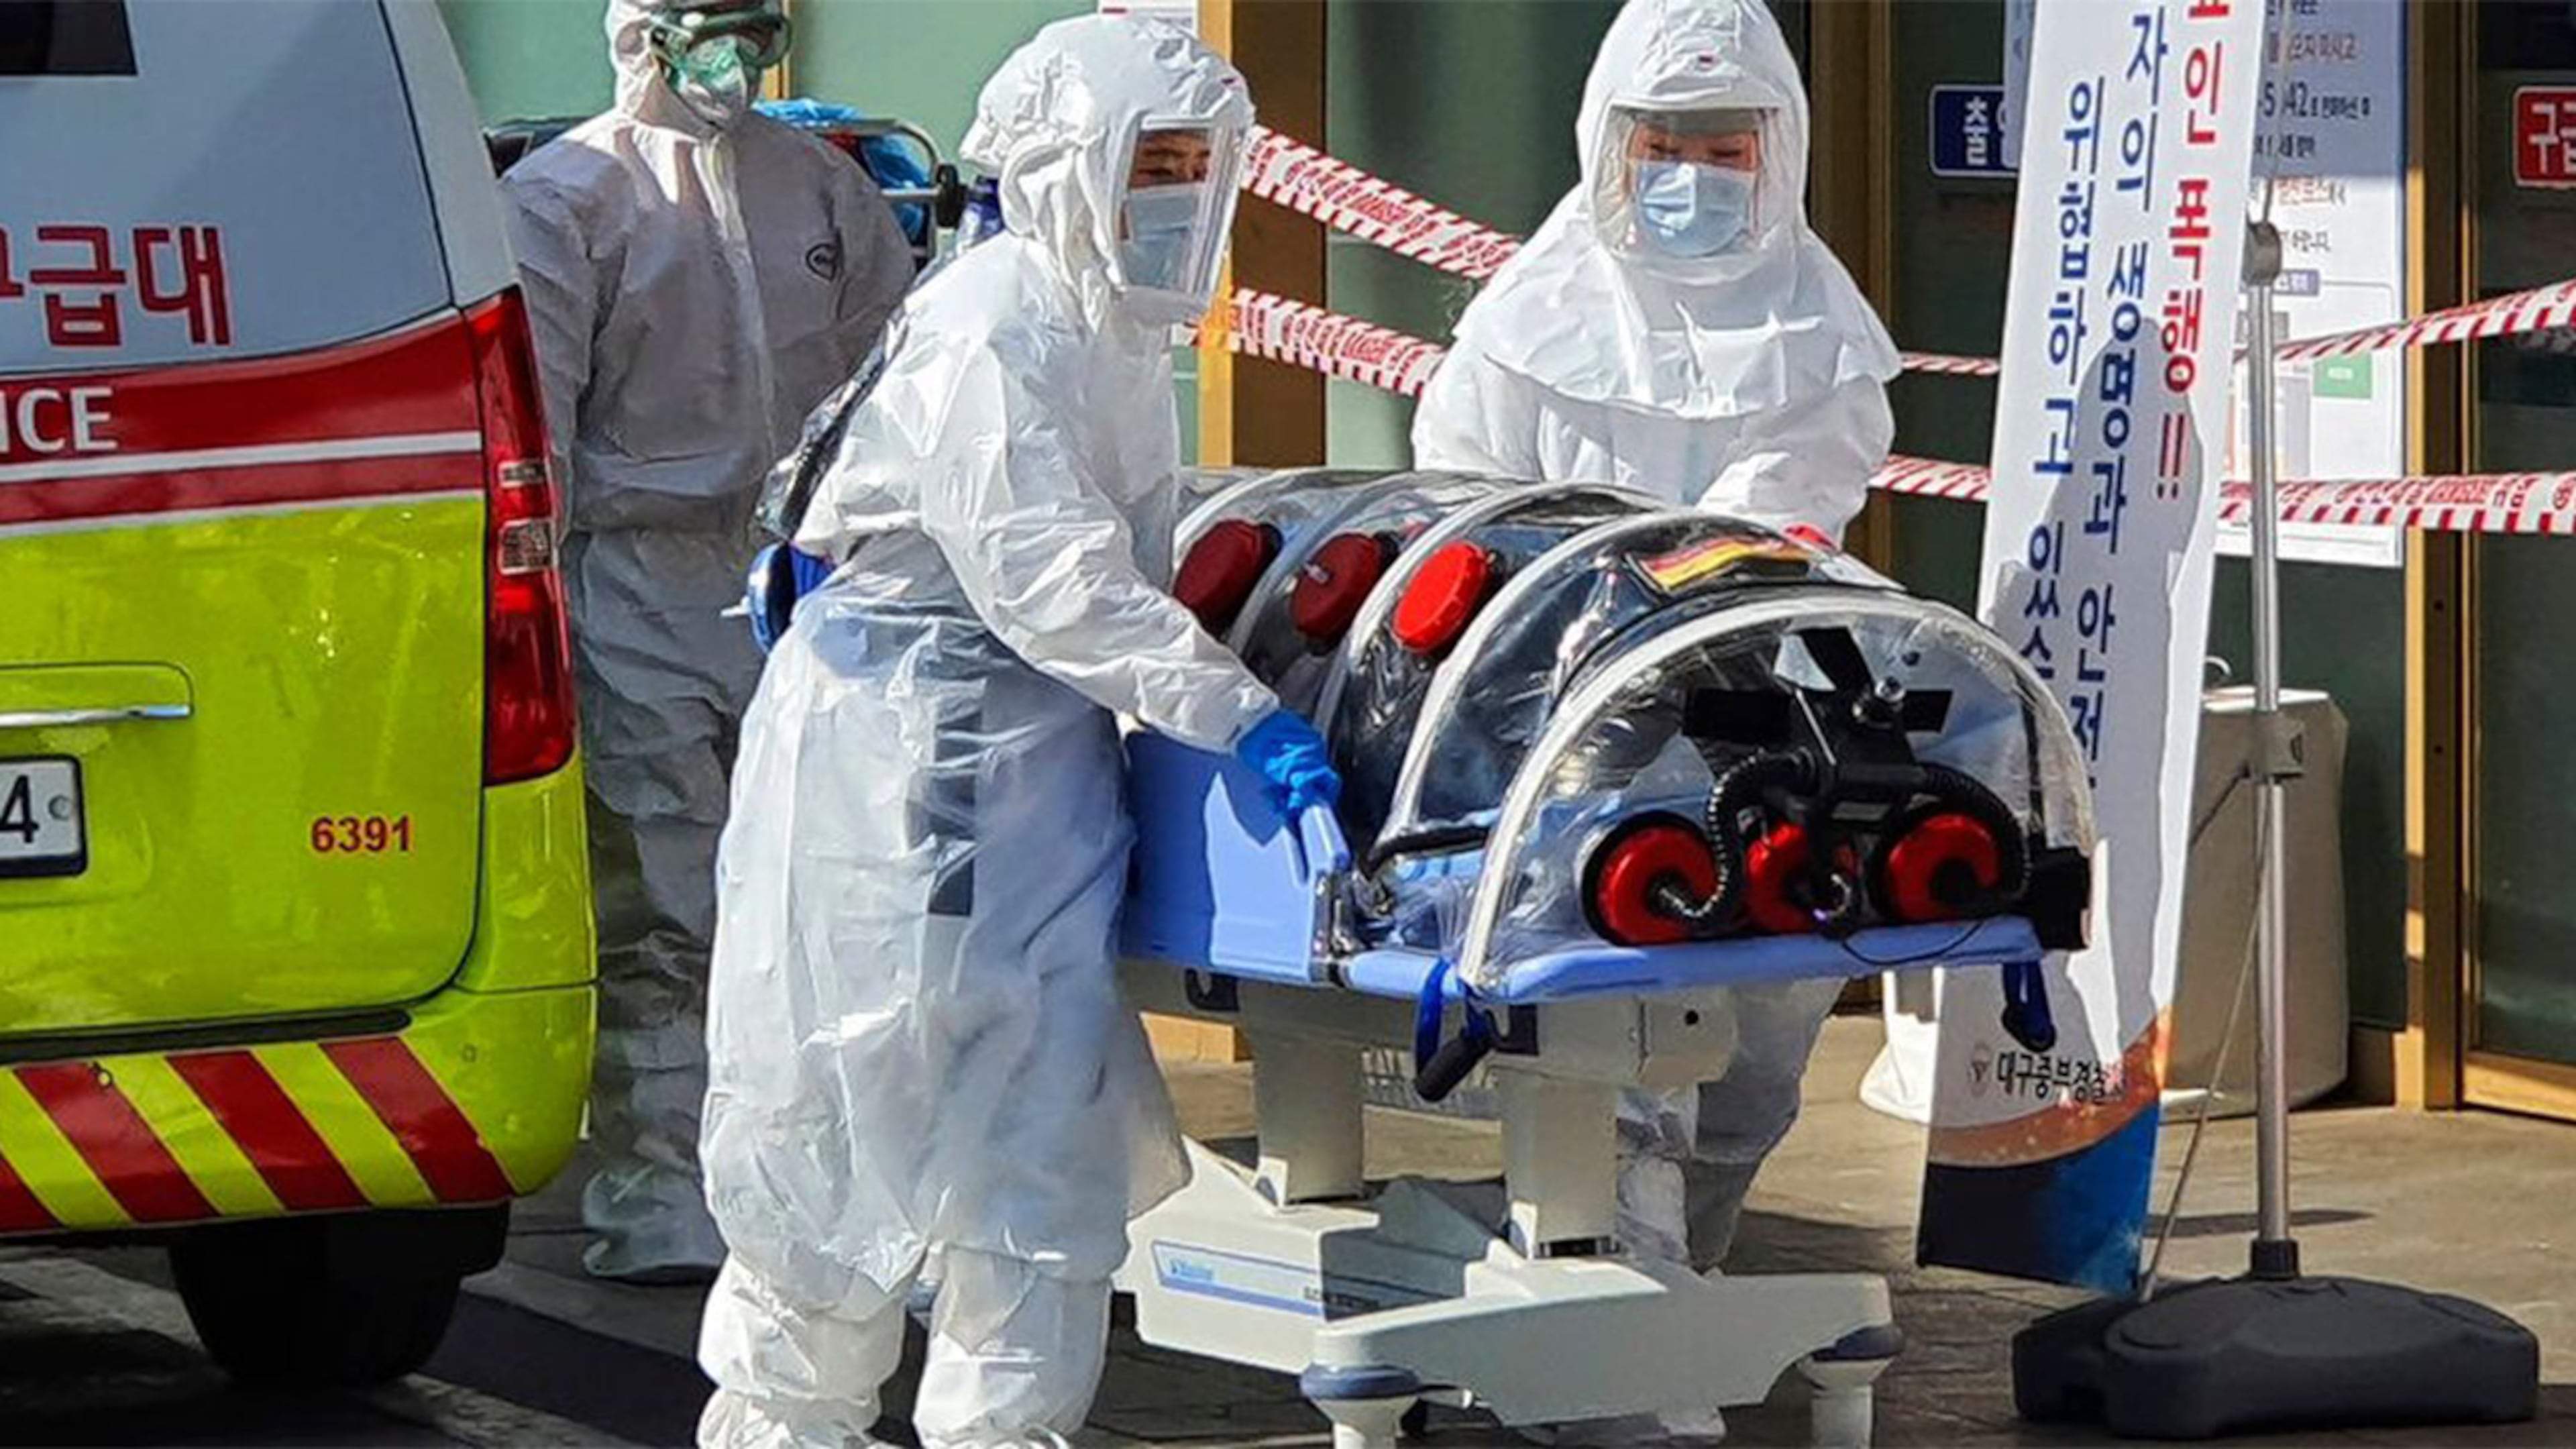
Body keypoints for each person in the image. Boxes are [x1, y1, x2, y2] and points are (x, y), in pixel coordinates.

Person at [694, 17, 1337, 1448]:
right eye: (1148, 164)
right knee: (841, 1163)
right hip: (895, 793)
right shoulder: (1001, 321)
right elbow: (1053, 578)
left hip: (1024, 789)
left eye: (1196, 167)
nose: (1175, 197)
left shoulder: (1097, 325)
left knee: (1034, 1187)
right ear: (1064, 168)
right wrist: (1240, 717)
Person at [1411, 1, 1900, 1438]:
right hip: (1571, 727)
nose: (1693, 173)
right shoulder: (1522, 324)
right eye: (1665, 145)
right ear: (1609, 147)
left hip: (1766, 710)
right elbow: (1467, 495)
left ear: (1781, 152)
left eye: (1723, 146)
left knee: (1750, 1066)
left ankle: (1678, 1292)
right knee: (1611, 1055)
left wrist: (1683, 606)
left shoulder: (1822, 333)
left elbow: (1774, 514)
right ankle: (1622, 1348)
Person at [500, 0, 914, 1284]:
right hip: (635, 585)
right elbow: (540, 430)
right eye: (718, 29)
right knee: (668, 907)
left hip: (801, 582)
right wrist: (544, 618)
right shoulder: (569, 199)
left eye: (761, 24)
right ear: (648, 34)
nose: (745, 56)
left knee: (823, 900)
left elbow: (889, 380)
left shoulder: (821, 191)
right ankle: (659, 1195)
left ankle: (812, 1190)